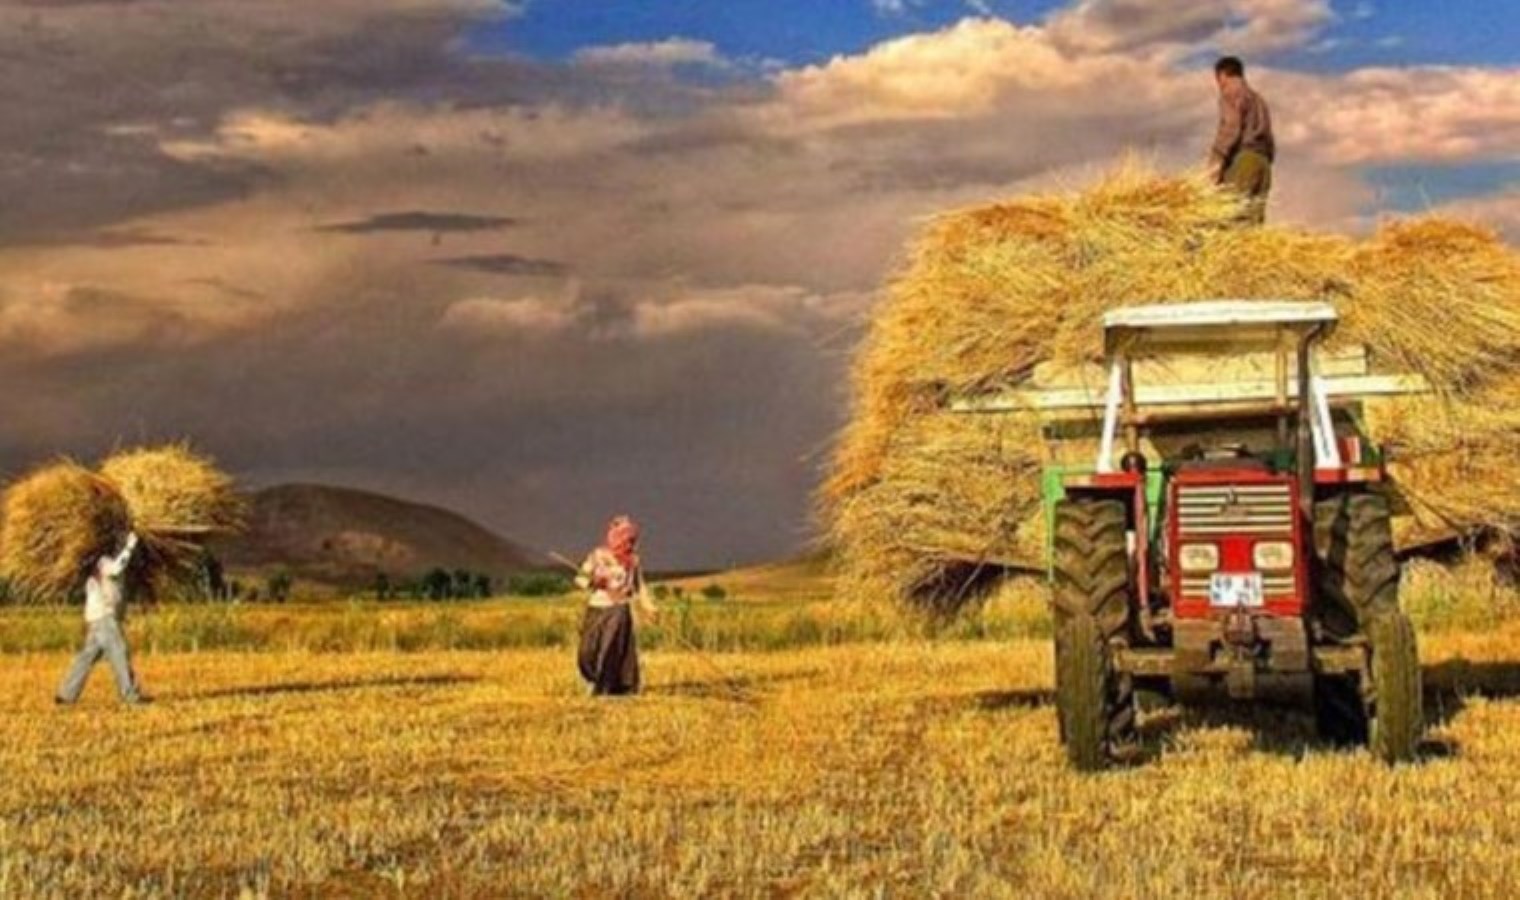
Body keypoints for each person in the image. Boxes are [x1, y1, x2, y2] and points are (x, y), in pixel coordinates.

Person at [56, 531, 148, 706]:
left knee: (86, 658)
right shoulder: (104, 562)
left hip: (96, 621)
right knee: (119, 653)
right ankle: (130, 696)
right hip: (105, 620)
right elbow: (117, 568)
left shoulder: (93, 571)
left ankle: (66, 694)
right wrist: (130, 546)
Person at [575, 515, 657, 696]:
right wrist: (594, 582)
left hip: (618, 610)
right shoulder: (597, 556)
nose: (629, 542)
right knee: (587, 652)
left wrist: (649, 607)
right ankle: (594, 679)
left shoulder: (633, 561)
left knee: (610, 649)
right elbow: (580, 579)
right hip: (596, 608)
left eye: (631, 539)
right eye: (626, 538)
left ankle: (604, 689)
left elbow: (639, 586)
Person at [1208, 55, 1275, 225]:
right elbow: (1269, 137)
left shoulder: (1231, 92)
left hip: (1245, 161)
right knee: (1252, 224)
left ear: (1222, 75)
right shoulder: (1259, 100)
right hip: (1264, 164)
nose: (1219, 85)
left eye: (1218, 79)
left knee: (1229, 218)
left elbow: (1230, 128)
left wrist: (1216, 160)